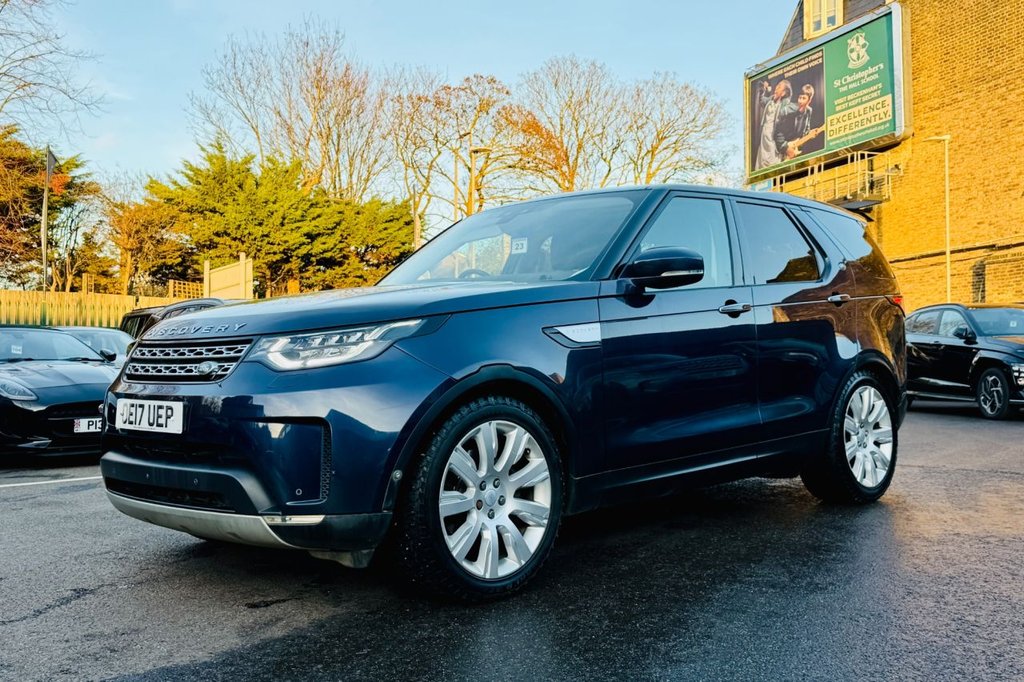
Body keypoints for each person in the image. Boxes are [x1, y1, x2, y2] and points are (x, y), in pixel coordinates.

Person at [754, 79, 797, 170]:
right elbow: (762, 100)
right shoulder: (770, 100)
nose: (776, 88)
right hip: (764, 137)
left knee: (773, 164)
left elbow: (795, 107)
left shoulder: (785, 104)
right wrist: (763, 89)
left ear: (783, 93)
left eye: (779, 87)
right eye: (776, 86)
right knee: (762, 164)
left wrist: (785, 111)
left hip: (773, 138)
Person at [776, 84, 817, 160]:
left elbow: (805, 132)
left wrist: (811, 133)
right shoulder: (790, 110)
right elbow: (778, 129)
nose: (800, 101)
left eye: (804, 98)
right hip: (783, 148)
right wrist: (785, 148)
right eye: (799, 97)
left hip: (796, 147)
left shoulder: (809, 111)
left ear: (809, 100)